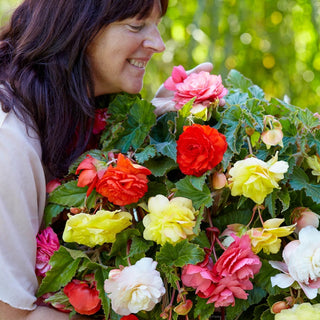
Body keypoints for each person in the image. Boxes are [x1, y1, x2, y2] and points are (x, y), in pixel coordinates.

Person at [0, 0, 213, 319]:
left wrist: (163, 130)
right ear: (79, 29)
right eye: (136, 26)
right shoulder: (10, 140)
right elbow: (11, 314)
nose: (158, 44)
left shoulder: (68, 112)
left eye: (156, 24)